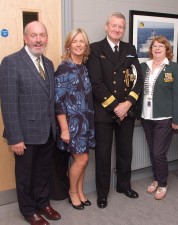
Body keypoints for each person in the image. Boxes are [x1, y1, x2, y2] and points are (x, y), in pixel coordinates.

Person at [0, 21, 61, 225]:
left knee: (43, 172)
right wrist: (15, 137)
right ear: (25, 38)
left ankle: (43, 203)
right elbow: (8, 103)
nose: (38, 40)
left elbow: (50, 99)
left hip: (47, 131)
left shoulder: (50, 63)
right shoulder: (11, 62)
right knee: (25, 175)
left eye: (42, 35)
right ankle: (28, 210)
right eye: (33, 35)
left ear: (46, 38)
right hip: (24, 135)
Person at [87, 12, 142, 209]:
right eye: (114, 26)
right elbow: (96, 82)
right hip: (104, 111)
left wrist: (127, 104)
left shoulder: (130, 49)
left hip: (126, 112)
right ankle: (102, 193)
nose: (117, 29)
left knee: (125, 152)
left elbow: (138, 79)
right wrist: (115, 106)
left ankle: (123, 185)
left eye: (121, 26)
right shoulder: (95, 49)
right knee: (103, 155)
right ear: (106, 26)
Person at [55, 28, 95, 210]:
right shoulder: (64, 67)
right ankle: (72, 193)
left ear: (85, 45)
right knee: (82, 160)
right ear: (69, 45)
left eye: (82, 41)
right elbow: (58, 101)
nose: (78, 44)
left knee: (82, 160)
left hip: (85, 122)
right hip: (72, 124)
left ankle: (79, 191)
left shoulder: (84, 67)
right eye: (75, 41)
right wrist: (64, 129)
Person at [140, 36, 178, 200]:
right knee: (152, 151)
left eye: (161, 46)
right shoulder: (143, 66)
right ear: (151, 49)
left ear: (167, 50)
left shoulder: (173, 68)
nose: (157, 48)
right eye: (154, 46)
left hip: (165, 117)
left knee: (159, 153)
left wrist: (176, 120)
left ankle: (163, 183)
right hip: (146, 116)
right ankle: (156, 179)